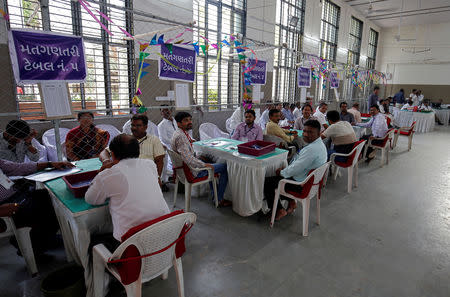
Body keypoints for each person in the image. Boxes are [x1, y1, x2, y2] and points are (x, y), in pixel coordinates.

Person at [86, 134, 170, 249]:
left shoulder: (109, 174)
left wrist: (102, 174)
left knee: (94, 234)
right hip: (166, 235)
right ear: (138, 151)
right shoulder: (150, 164)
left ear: (113, 154)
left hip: (133, 245)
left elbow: (91, 199)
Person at [0, 159, 73, 254]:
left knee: (52, 198)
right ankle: (32, 246)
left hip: (18, 195)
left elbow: (16, 167)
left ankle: (37, 242)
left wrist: (50, 164)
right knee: (47, 207)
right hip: (7, 206)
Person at [264, 120, 327, 221]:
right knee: (281, 175)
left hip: (301, 185)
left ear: (319, 134)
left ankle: (279, 210)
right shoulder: (319, 145)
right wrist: (287, 170)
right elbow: (299, 165)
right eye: (305, 131)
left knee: (267, 183)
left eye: (310, 132)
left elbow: (297, 167)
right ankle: (291, 202)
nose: (306, 135)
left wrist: (281, 172)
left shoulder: (312, 149)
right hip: (310, 182)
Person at [171, 112, 231, 207]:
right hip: (192, 172)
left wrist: (200, 158)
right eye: (186, 120)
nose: (190, 122)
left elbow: (187, 151)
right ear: (178, 123)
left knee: (208, 161)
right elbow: (189, 159)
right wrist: (204, 165)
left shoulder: (179, 132)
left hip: (184, 169)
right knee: (224, 167)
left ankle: (214, 195)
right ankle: (219, 199)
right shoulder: (180, 137)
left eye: (190, 119)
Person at [100, 114, 166, 188]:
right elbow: (104, 152)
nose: (134, 128)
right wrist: (106, 160)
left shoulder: (154, 140)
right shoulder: (124, 139)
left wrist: (157, 178)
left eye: (138, 125)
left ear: (145, 127)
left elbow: (159, 161)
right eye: (132, 125)